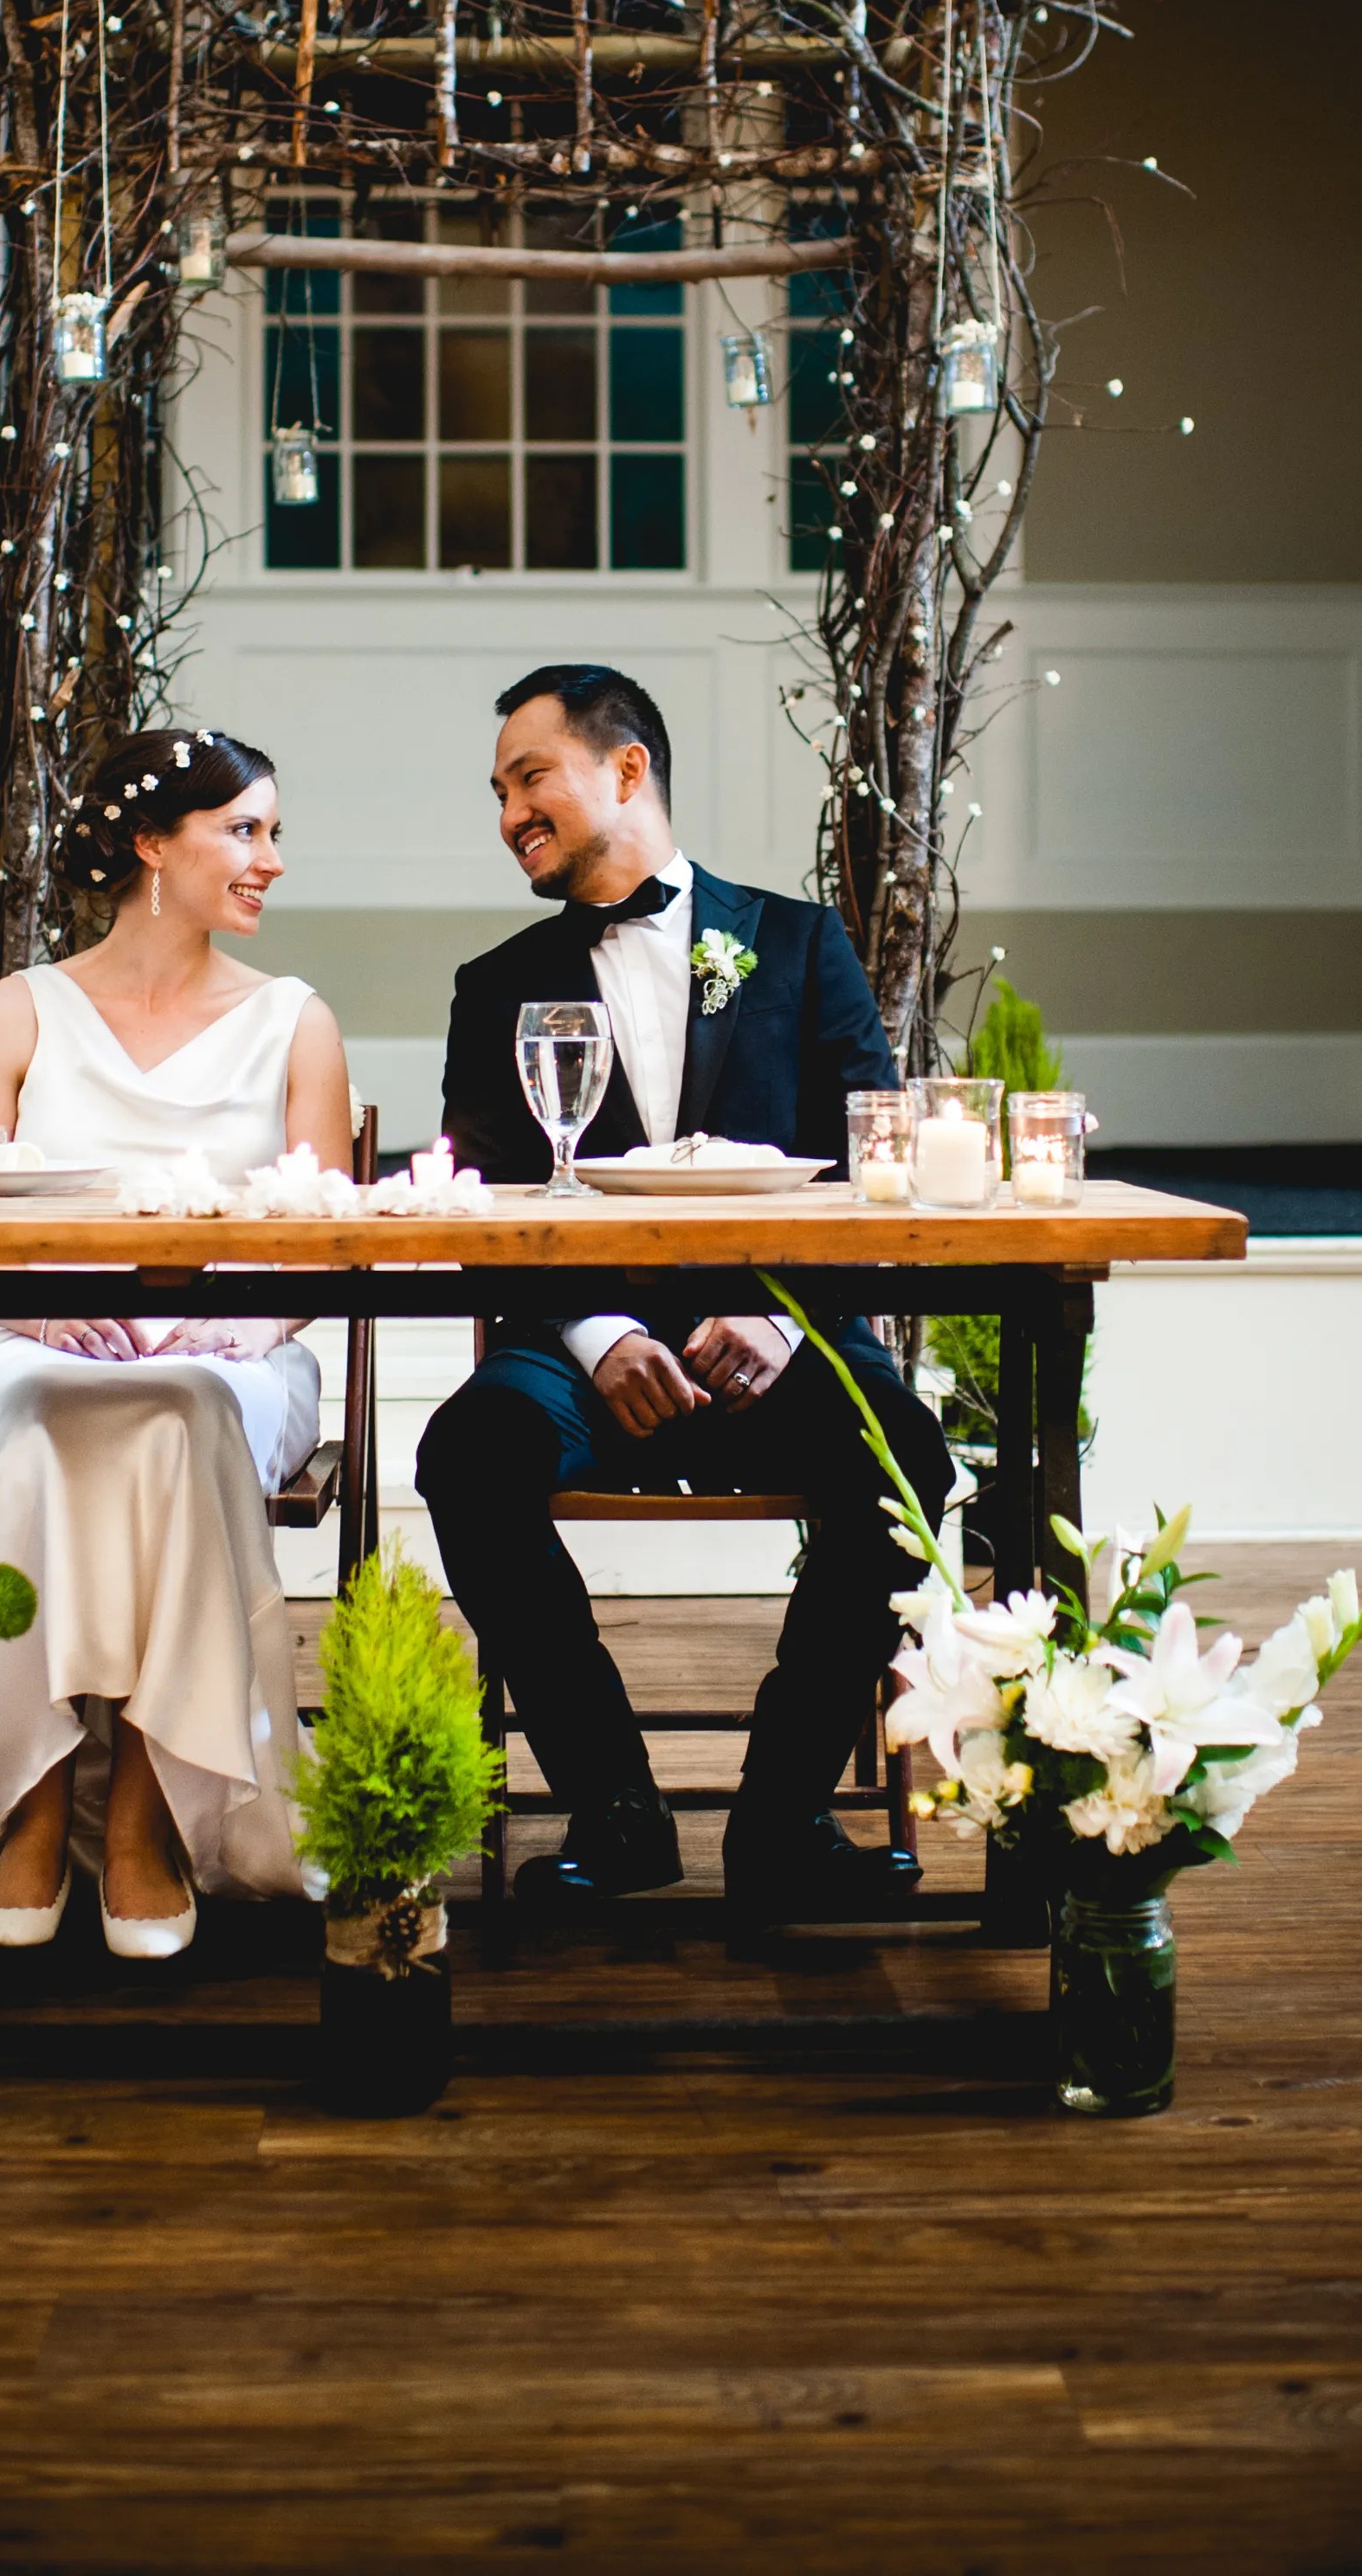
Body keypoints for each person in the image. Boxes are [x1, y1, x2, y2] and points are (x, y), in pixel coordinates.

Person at [416, 664, 952, 1935]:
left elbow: (876, 1159)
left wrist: (782, 1319)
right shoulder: (495, 985)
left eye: (530, 777)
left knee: (909, 1465)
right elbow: (487, 1199)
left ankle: (780, 1817)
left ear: (627, 770)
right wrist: (598, 1336)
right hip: (579, 1343)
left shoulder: (801, 943)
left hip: (790, 1332)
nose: (510, 814)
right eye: (498, 793)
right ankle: (617, 1808)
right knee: (468, 1452)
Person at [0, 728, 352, 1959]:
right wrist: (57, 1314)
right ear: (150, 844)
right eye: (245, 830)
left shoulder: (295, 1022)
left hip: (234, 1353)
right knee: (38, 1415)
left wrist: (211, 1322)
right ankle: (34, 1795)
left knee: (181, 1408)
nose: (271, 858)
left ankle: (142, 1808)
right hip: (38, 1341)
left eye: (274, 831)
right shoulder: (15, 1013)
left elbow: (321, 1243)